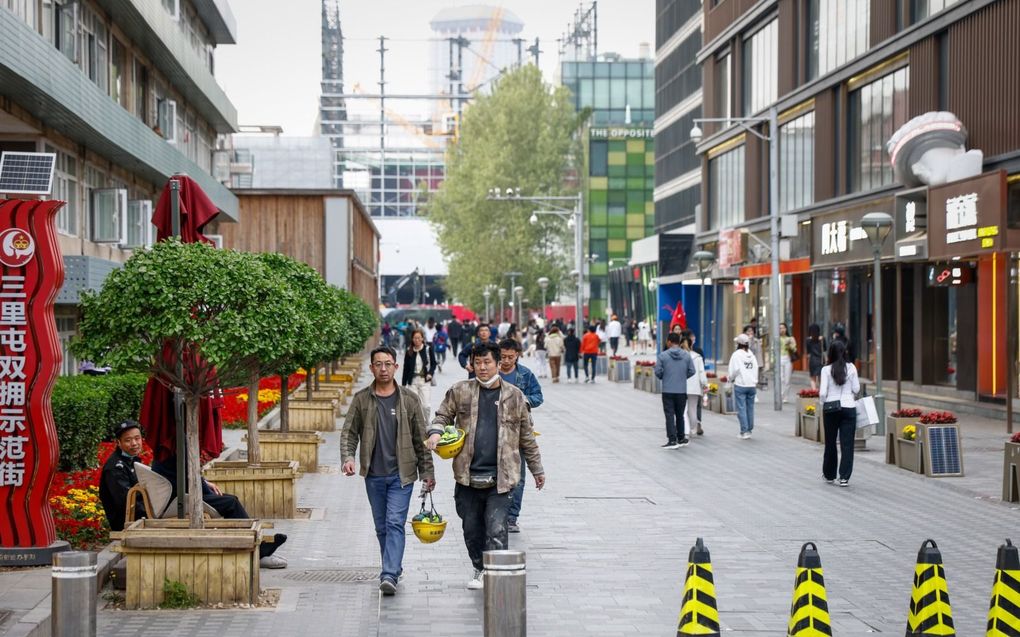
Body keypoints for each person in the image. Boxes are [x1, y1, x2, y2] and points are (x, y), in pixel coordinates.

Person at [425, 342, 545, 590]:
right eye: (477, 362)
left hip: (501, 478)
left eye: (487, 362)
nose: (482, 367)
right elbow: (442, 415)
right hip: (467, 477)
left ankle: (496, 575)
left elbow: (527, 437)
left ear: (498, 363)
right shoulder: (460, 391)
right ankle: (479, 567)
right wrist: (436, 433)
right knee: (472, 529)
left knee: (497, 527)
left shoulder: (515, 396)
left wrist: (537, 469)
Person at [341, 346, 436, 595]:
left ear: (396, 366)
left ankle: (389, 574)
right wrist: (348, 457)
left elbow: (421, 439)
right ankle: (393, 565)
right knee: (381, 526)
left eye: (388, 363)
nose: (383, 368)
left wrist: (428, 473)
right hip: (373, 475)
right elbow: (349, 433)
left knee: (395, 522)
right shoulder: (362, 399)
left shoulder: (410, 399)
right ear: (371, 368)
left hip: (401, 475)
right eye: (378, 364)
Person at [138, 425, 288, 568]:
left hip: (182, 493)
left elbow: (189, 474)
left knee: (229, 499)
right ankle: (259, 552)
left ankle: (251, 545)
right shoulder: (176, 444)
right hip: (181, 498)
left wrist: (205, 482)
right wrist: (206, 488)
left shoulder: (167, 445)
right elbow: (190, 477)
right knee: (231, 502)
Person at [497, 339, 544, 534]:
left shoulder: (525, 374)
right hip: (494, 430)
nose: (506, 360)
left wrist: (524, 400)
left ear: (517, 355)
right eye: (503, 357)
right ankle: (496, 513)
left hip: (519, 430)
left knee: (519, 476)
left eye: (510, 357)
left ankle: (512, 517)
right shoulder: (491, 372)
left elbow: (538, 396)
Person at [819, 340, 859, 487]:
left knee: (830, 442)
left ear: (830, 353)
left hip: (830, 408)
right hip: (849, 407)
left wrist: (823, 403)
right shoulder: (852, 368)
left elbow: (823, 392)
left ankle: (829, 474)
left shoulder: (826, 370)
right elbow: (856, 389)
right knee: (847, 444)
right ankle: (844, 477)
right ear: (845, 352)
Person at [654, 332, 696, 448]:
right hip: (681, 390)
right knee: (680, 415)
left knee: (669, 415)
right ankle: (681, 437)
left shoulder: (662, 356)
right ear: (679, 341)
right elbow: (692, 371)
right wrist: (682, 377)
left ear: (669, 342)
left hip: (668, 390)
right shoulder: (687, 355)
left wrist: (664, 376)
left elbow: (657, 371)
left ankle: (672, 440)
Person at [728, 333, 760, 439]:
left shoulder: (736, 355)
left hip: (741, 384)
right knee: (750, 408)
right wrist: (754, 381)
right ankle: (749, 429)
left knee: (741, 408)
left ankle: (744, 431)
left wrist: (730, 378)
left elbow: (734, 370)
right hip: (751, 385)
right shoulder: (751, 355)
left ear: (739, 344)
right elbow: (755, 369)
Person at [402, 329, 436, 420]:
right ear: (412, 339)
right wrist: (404, 384)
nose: (417, 340)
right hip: (412, 381)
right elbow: (406, 368)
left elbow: (433, 363)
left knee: (425, 405)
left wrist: (430, 373)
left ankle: (426, 424)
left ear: (422, 338)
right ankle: (416, 424)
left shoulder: (428, 349)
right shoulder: (409, 351)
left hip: (424, 380)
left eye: (418, 338)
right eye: (415, 338)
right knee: (413, 404)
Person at [681, 338, 707, 437]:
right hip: (695, 387)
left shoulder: (681, 356)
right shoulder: (698, 357)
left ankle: (685, 430)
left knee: (683, 410)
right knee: (693, 409)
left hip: (682, 386)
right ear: (692, 344)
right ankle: (693, 429)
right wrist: (704, 384)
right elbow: (701, 372)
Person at [779, 322, 798, 403]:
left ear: (786, 329)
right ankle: (781, 395)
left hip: (788, 359)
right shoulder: (777, 338)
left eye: (783, 328)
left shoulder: (790, 338)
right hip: (779, 359)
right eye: (780, 328)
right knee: (781, 378)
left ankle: (785, 396)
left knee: (787, 380)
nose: (782, 329)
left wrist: (790, 345)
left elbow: (795, 350)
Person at [806, 323, 826, 390]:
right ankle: (821, 393)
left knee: (812, 378)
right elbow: (825, 349)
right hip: (821, 360)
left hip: (812, 361)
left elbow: (808, 352)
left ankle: (814, 393)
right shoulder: (822, 339)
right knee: (821, 379)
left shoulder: (808, 340)